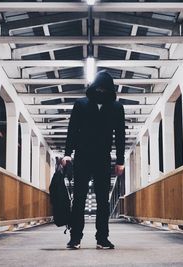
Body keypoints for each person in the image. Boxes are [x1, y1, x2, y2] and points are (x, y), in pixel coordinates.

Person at [61, 70, 125, 249]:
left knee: (103, 200)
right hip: (81, 158)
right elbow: (72, 130)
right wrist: (67, 154)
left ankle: (102, 238)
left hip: (103, 159)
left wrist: (120, 160)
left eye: (105, 90)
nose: (102, 93)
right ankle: (75, 238)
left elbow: (120, 135)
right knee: (79, 198)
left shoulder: (117, 108)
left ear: (110, 90)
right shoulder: (80, 105)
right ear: (94, 88)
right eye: (100, 89)